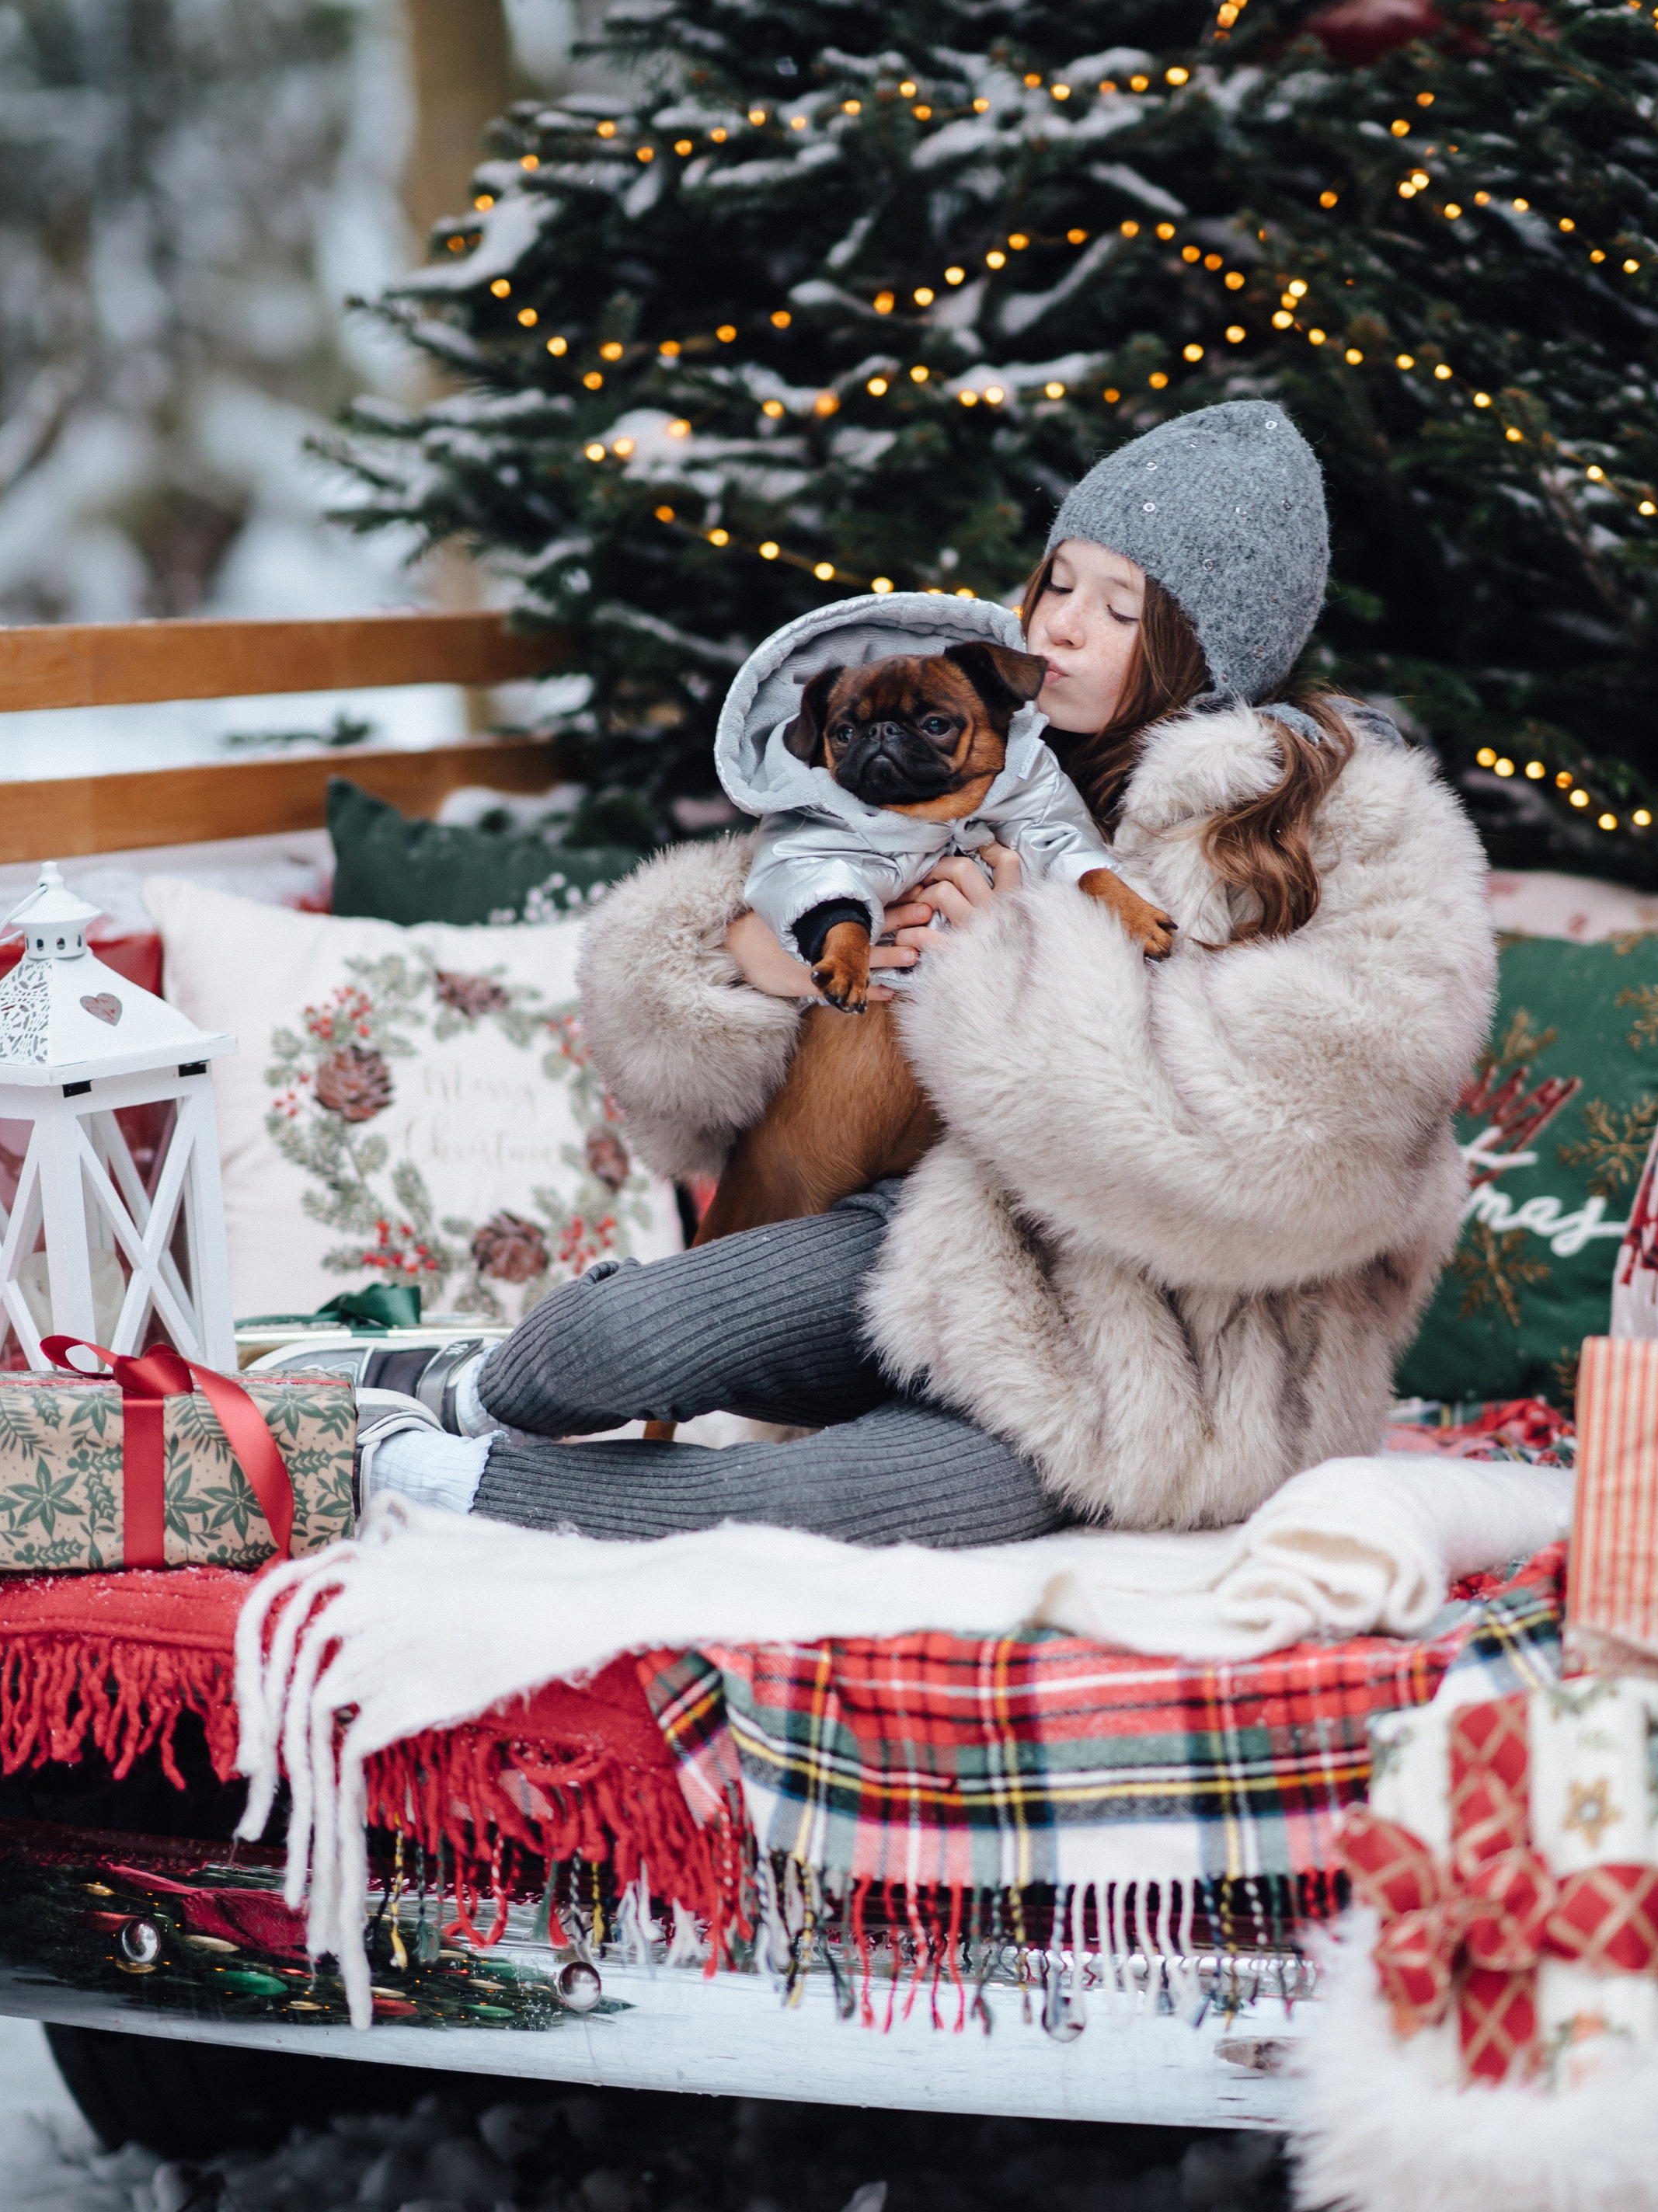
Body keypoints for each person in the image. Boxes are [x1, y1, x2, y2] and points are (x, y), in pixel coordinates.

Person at [279, 402, 1495, 1545]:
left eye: (1119, 607)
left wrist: (1026, 948)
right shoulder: (967, 734)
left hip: (1172, 1361)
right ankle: (439, 1389)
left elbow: (1316, 1137)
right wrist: (772, 965)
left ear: (1203, 643)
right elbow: (717, 969)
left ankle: (432, 1484)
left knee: (829, 1499)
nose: (1059, 623)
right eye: (1056, 579)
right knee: (614, 1336)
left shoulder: (1348, 819)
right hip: (918, 1235)